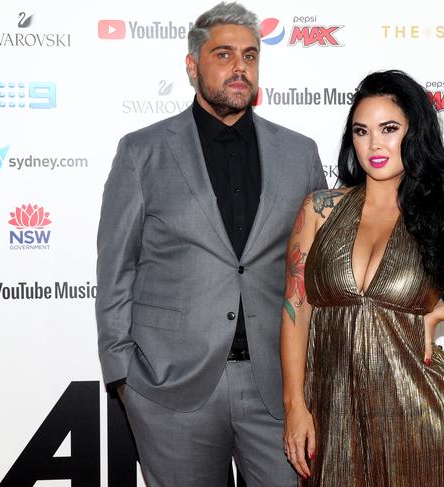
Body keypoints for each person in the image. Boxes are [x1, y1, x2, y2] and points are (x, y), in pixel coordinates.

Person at [95, 3, 327, 486]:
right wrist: (123, 375)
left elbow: (316, 273)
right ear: (192, 65)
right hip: (171, 389)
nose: (239, 66)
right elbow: (116, 268)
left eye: (250, 55)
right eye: (223, 54)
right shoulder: (142, 152)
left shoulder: (299, 153)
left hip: (278, 387)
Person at [280, 70, 444, 486]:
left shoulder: (439, 219)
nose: (375, 144)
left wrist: (439, 314)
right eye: (362, 131)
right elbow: (295, 309)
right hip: (331, 409)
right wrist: (295, 405)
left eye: (390, 129)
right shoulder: (319, 210)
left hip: (416, 411)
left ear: (414, 134)